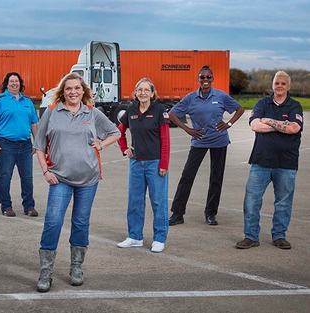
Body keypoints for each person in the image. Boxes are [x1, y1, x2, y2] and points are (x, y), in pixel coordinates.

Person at [33, 72, 120, 292]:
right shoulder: (51, 112)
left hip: (88, 179)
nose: (73, 92)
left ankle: (76, 267)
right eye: (69, 88)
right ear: (63, 91)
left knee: (81, 223)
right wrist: (45, 171)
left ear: (83, 91)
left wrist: (101, 145)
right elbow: (40, 145)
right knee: (53, 222)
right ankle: (45, 271)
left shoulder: (92, 112)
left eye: (77, 88)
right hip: (59, 177)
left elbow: (114, 132)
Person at [168, 65, 245, 226]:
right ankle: (177, 213)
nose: (205, 80)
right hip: (199, 141)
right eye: (202, 77)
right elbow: (172, 114)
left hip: (219, 141)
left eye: (208, 77)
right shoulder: (190, 98)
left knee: (216, 178)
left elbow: (239, 109)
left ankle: (211, 213)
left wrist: (229, 124)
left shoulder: (221, 96)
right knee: (187, 176)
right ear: (198, 79)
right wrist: (187, 129)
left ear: (213, 79)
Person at [236, 71, 303, 250]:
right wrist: (281, 125)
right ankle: (251, 236)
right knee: (251, 200)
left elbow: (294, 128)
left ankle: (279, 236)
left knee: (283, 202)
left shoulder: (294, 106)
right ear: (272, 85)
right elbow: (254, 125)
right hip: (261, 161)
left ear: (288, 86)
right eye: (276, 83)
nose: (279, 86)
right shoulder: (262, 103)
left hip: (286, 163)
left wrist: (268, 121)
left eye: (283, 83)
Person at [116, 78, 170, 253]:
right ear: (135, 92)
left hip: (155, 164)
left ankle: (159, 238)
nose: (143, 93)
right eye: (140, 90)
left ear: (152, 93)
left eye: (146, 90)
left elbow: (165, 140)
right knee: (135, 202)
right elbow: (119, 132)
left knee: (158, 202)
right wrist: (125, 149)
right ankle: (135, 237)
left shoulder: (159, 110)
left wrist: (164, 163)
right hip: (136, 163)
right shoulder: (130, 111)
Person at [0, 72, 39, 217]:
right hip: (5, 145)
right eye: (11, 81)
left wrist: (37, 142)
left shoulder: (27, 102)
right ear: (7, 83)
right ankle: (6, 206)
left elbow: (34, 123)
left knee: (27, 177)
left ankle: (29, 206)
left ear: (20, 83)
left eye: (16, 81)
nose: (14, 83)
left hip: (25, 145)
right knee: (5, 176)